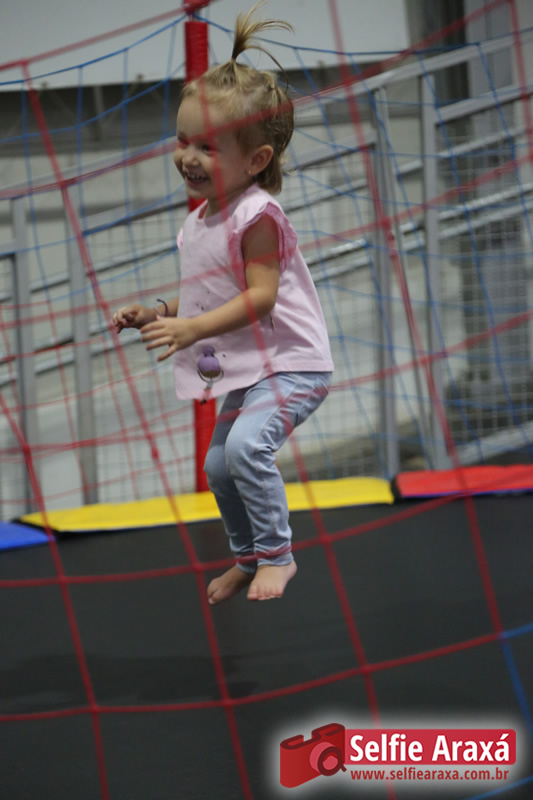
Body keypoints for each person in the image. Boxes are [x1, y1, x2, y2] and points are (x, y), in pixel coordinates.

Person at [112, 3, 333, 604]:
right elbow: (205, 293)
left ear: (256, 160)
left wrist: (190, 330)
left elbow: (260, 298)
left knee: (244, 447)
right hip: (254, 367)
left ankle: (278, 557)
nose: (188, 156)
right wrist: (159, 313)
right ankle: (247, 556)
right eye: (182, 140)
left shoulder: (258, 215)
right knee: (218, 467)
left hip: (295, 364)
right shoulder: (200, 222)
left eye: (207, 146)